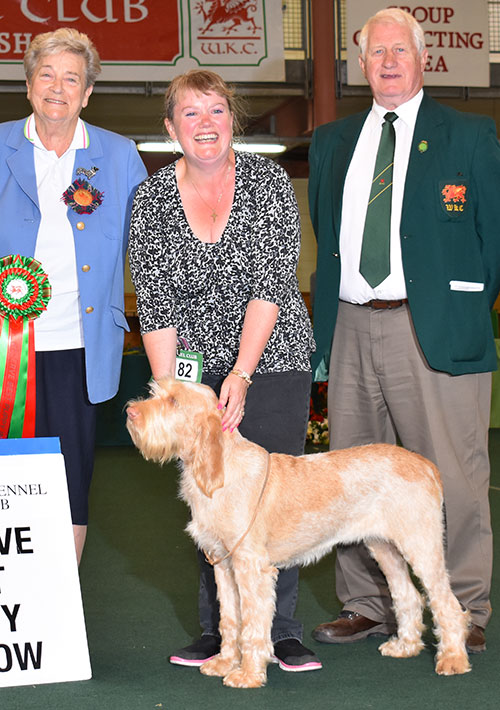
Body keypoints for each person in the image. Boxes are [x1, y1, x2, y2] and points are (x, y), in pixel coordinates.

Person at [308, 7, 500, 654]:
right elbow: (327, 239)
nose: (388, 61)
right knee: (354, 479)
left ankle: (466, 603)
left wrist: (463, 309)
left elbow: (492, 241)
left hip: (434, 329)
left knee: (453, 474)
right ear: (360, 65)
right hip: (351, 327)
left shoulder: (470, 135)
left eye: (401, 50)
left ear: (423, 59)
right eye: (376, 52)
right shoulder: (333, 142)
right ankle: (367, 603)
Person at [128, 69, 320, 672]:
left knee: (270, 500)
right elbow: (156, 304)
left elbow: (272, 284)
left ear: (232, 119)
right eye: (190, 113)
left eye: (216, 111)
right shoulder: (153, 198)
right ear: (170, 127)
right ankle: (218, 632)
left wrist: (239, 374)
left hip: (271, 355)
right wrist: (171, 395)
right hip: (192, 364)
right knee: (208, 494)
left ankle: (280, 631)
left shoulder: (268, 183)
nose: (205, 124)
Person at [0, 28, 147, 564]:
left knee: (69, 487)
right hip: (4, 350)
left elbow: (151, 248)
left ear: (87, 93)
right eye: (47, 75)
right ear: (28, 84)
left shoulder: (118, 154)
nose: (57, 88)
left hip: (79, 350)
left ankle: (55, 611)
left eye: (72, 78)